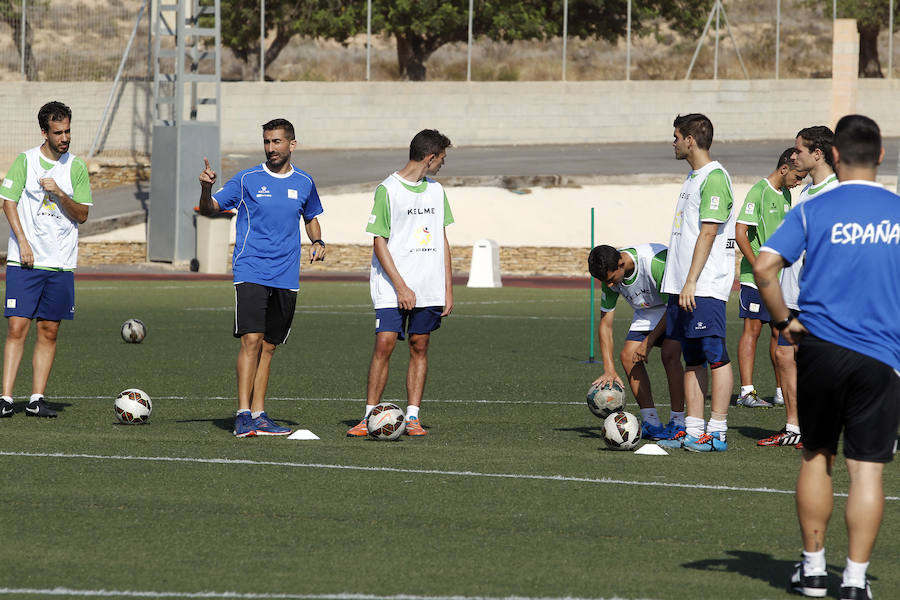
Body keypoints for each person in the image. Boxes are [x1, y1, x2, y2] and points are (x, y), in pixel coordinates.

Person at [754, 114, 899, 600]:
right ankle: (855, 580)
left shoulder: (815, 206)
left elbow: (764, 265)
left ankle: (814, 570)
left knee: (817, 456)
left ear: (835, 156)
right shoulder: (897, 211)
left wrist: (782, 323)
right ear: (880, 156)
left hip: (821, 349)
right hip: (881, 356)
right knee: (868, 469)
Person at [198, 118, 325, 438]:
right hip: (251, 269)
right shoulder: (247, 179)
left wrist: (318, 241)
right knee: (251, 340)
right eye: (267, 142)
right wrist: (206, 187)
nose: (271, 148)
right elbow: (210, 209)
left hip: (286, 275)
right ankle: (242, 414)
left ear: (291, 145)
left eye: (277, 142)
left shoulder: (306, 182)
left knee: (269, 347)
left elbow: (311, 218)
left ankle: (259, 413)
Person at [347, 129, 454, 438]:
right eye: (441, 160)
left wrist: (448, 288)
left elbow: (442, 239)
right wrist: (401, 286)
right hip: (391, 286)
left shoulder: (436, 192)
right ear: (430, 157)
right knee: (385, 343)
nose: (441, 165)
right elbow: (378, 241)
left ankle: (413, 417)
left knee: (420, 345)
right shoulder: (388, 189)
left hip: (429, 286)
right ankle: (369, 416)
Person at [0, 101, 92, 418]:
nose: (65, 137)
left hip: (61, 264)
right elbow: (7, 202)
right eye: (58, 132)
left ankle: (37, 399)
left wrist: (60, 195)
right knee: (16, 328)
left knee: (50, 330)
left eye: (67, 130)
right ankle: (6, 398)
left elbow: (82, 215)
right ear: (44, 132)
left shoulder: (76, 167)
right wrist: (23, 243)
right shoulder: (25, 161)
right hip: (25, 262)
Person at [656, 113, 737, 453]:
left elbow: (708, 232)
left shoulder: (714, 177)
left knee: (715, 354)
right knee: (692, 357)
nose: (672, 142)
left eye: (676, 136)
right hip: (683, 286)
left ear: (690, 139)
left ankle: (717, 430)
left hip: (703, 286)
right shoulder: (693, 177)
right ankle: (693, 428)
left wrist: (690, 281)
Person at [764, 126, 839, 448]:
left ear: (818, 154)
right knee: (784, 356)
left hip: (818, 295)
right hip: (791, 291)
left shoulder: (837, 192)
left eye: (799, 150)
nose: (793, 155)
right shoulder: (806, 192)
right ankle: (794, 426)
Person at [733, 148, 807, 411]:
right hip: (756, 278)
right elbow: (740, 232)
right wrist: (758, 267)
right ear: (785, 169)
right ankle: (746, 391)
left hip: (779, 279)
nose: (799, 182)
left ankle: (779, 390)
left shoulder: (787, 194)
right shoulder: (759, 191)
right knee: (752, 330)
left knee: (779, 331)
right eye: (798, 176)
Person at [587, 243, 684, 440]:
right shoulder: (609, 278)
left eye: (612, 279)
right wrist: (609, 369)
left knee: (670, 354)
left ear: (621, 264)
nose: (611, 285)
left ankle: (678, 422)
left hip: (675, 307)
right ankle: (651, 422)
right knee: (628, 356)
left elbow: (674, 308)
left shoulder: (655, 263)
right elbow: (605, 324)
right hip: (647, 311)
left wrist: (647, 343)